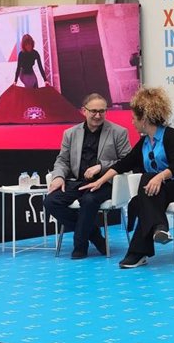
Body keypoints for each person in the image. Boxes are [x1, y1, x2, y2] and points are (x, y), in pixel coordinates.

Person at [80, 86, 174, 269]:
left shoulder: (171, 136)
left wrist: (159, 177)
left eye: (134, 118)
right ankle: (156, 231)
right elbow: (123, 164)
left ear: (144, 120)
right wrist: (100, 181)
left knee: (146, 188)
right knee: (147, 190)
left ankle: (140, 250)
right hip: (161, 190)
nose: (132, 122)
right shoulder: (144, 142)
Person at [43, 93, 133, 259]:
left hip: (104, 182)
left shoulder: (118, 132)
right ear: (83, 111)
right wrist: (58, 177)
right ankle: (95, 236)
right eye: (93, 111)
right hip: (77, 181)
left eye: (102, 111)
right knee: (50, 201)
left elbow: (127, 161)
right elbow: (62, 160)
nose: (98, 115)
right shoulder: (70, 133)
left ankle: (80, 246)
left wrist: (101, 167)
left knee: (89, 200)